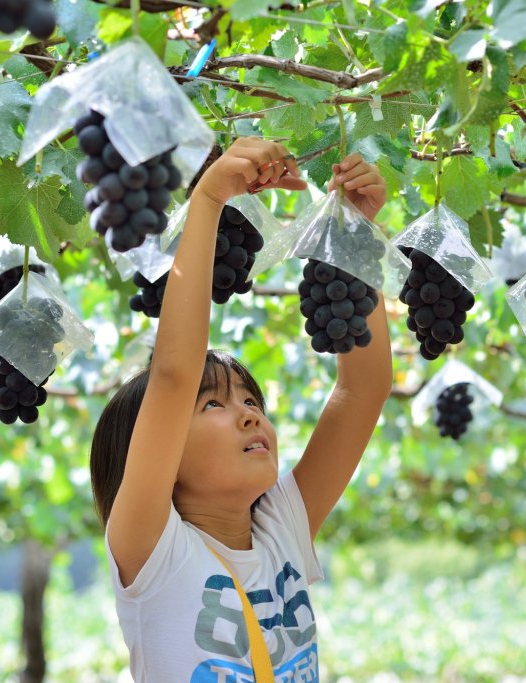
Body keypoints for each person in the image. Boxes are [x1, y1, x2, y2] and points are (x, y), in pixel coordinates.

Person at [89, 137, 392, 682]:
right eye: (212, 404)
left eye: (251, 400)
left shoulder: (278, 532)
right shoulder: (151, 551)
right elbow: (174, 374)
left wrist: (355, 232)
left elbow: (362, 390)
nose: (251, 415)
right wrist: (207, 201)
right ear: (153, 451)